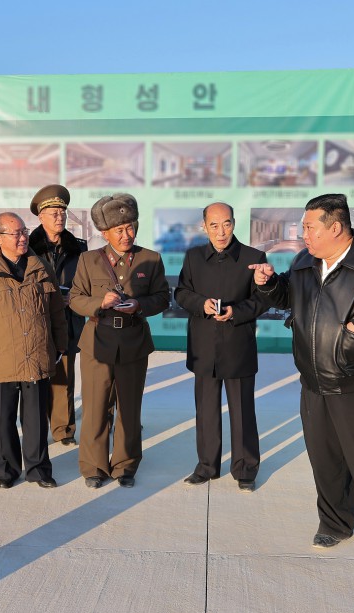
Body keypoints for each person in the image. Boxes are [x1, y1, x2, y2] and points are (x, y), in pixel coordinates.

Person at [250, 193, 354, 557]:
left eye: (309, 228)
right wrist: (268, 285)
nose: (303, 235)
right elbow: (287, 298)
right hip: (314, 381)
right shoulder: (304, 261)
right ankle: (335, 523)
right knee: (326, 460)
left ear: (336, 227)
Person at [69, 193, 169, 488]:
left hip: (134, 341)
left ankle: (125, 466)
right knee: (95, 406)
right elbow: (75, 298)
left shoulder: (151, 259)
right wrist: (101, 301)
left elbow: (163, 296)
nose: (127, 235)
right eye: (119, 230)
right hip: (97, 342)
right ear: (105, 233)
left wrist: (139, 305)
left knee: (129, 407)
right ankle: (93, 466)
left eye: (131, 228)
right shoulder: (88, 260)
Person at [0, 212, 67, 488]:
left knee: (35, 420)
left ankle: (39, 470)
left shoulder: (42, 267)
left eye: (23, 231)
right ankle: (6, 472)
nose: (22, 237)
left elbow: (56, 310)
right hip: (2, 357)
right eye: (15, 233)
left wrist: (60, 345)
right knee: (4, 420)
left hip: (37, 353)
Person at [175, 202, 268, 492]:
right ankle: (206, 466)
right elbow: (181, 292)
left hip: (237, 344)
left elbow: (263, 299)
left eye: (226, 223)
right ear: (204, 226)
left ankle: (245, 470)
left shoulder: (253, 257)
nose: (221, 231)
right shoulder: (192, 257)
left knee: (242, 412)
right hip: (204, 346)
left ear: (234, 223)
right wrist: (200, 304)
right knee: (206, 411)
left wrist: (235, 312)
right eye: (214, 225)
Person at [28, 184, 86, 446]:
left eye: (62, 212)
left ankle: (63, 430)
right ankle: (35, 427)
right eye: (53, 212)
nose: (59, 217)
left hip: (68, 321)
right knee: (35, 379)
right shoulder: (27, 247)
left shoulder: (79, 249)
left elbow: (88, 284)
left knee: (64, 378)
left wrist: (72, 298)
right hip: (36, 321)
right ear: (40, 217)